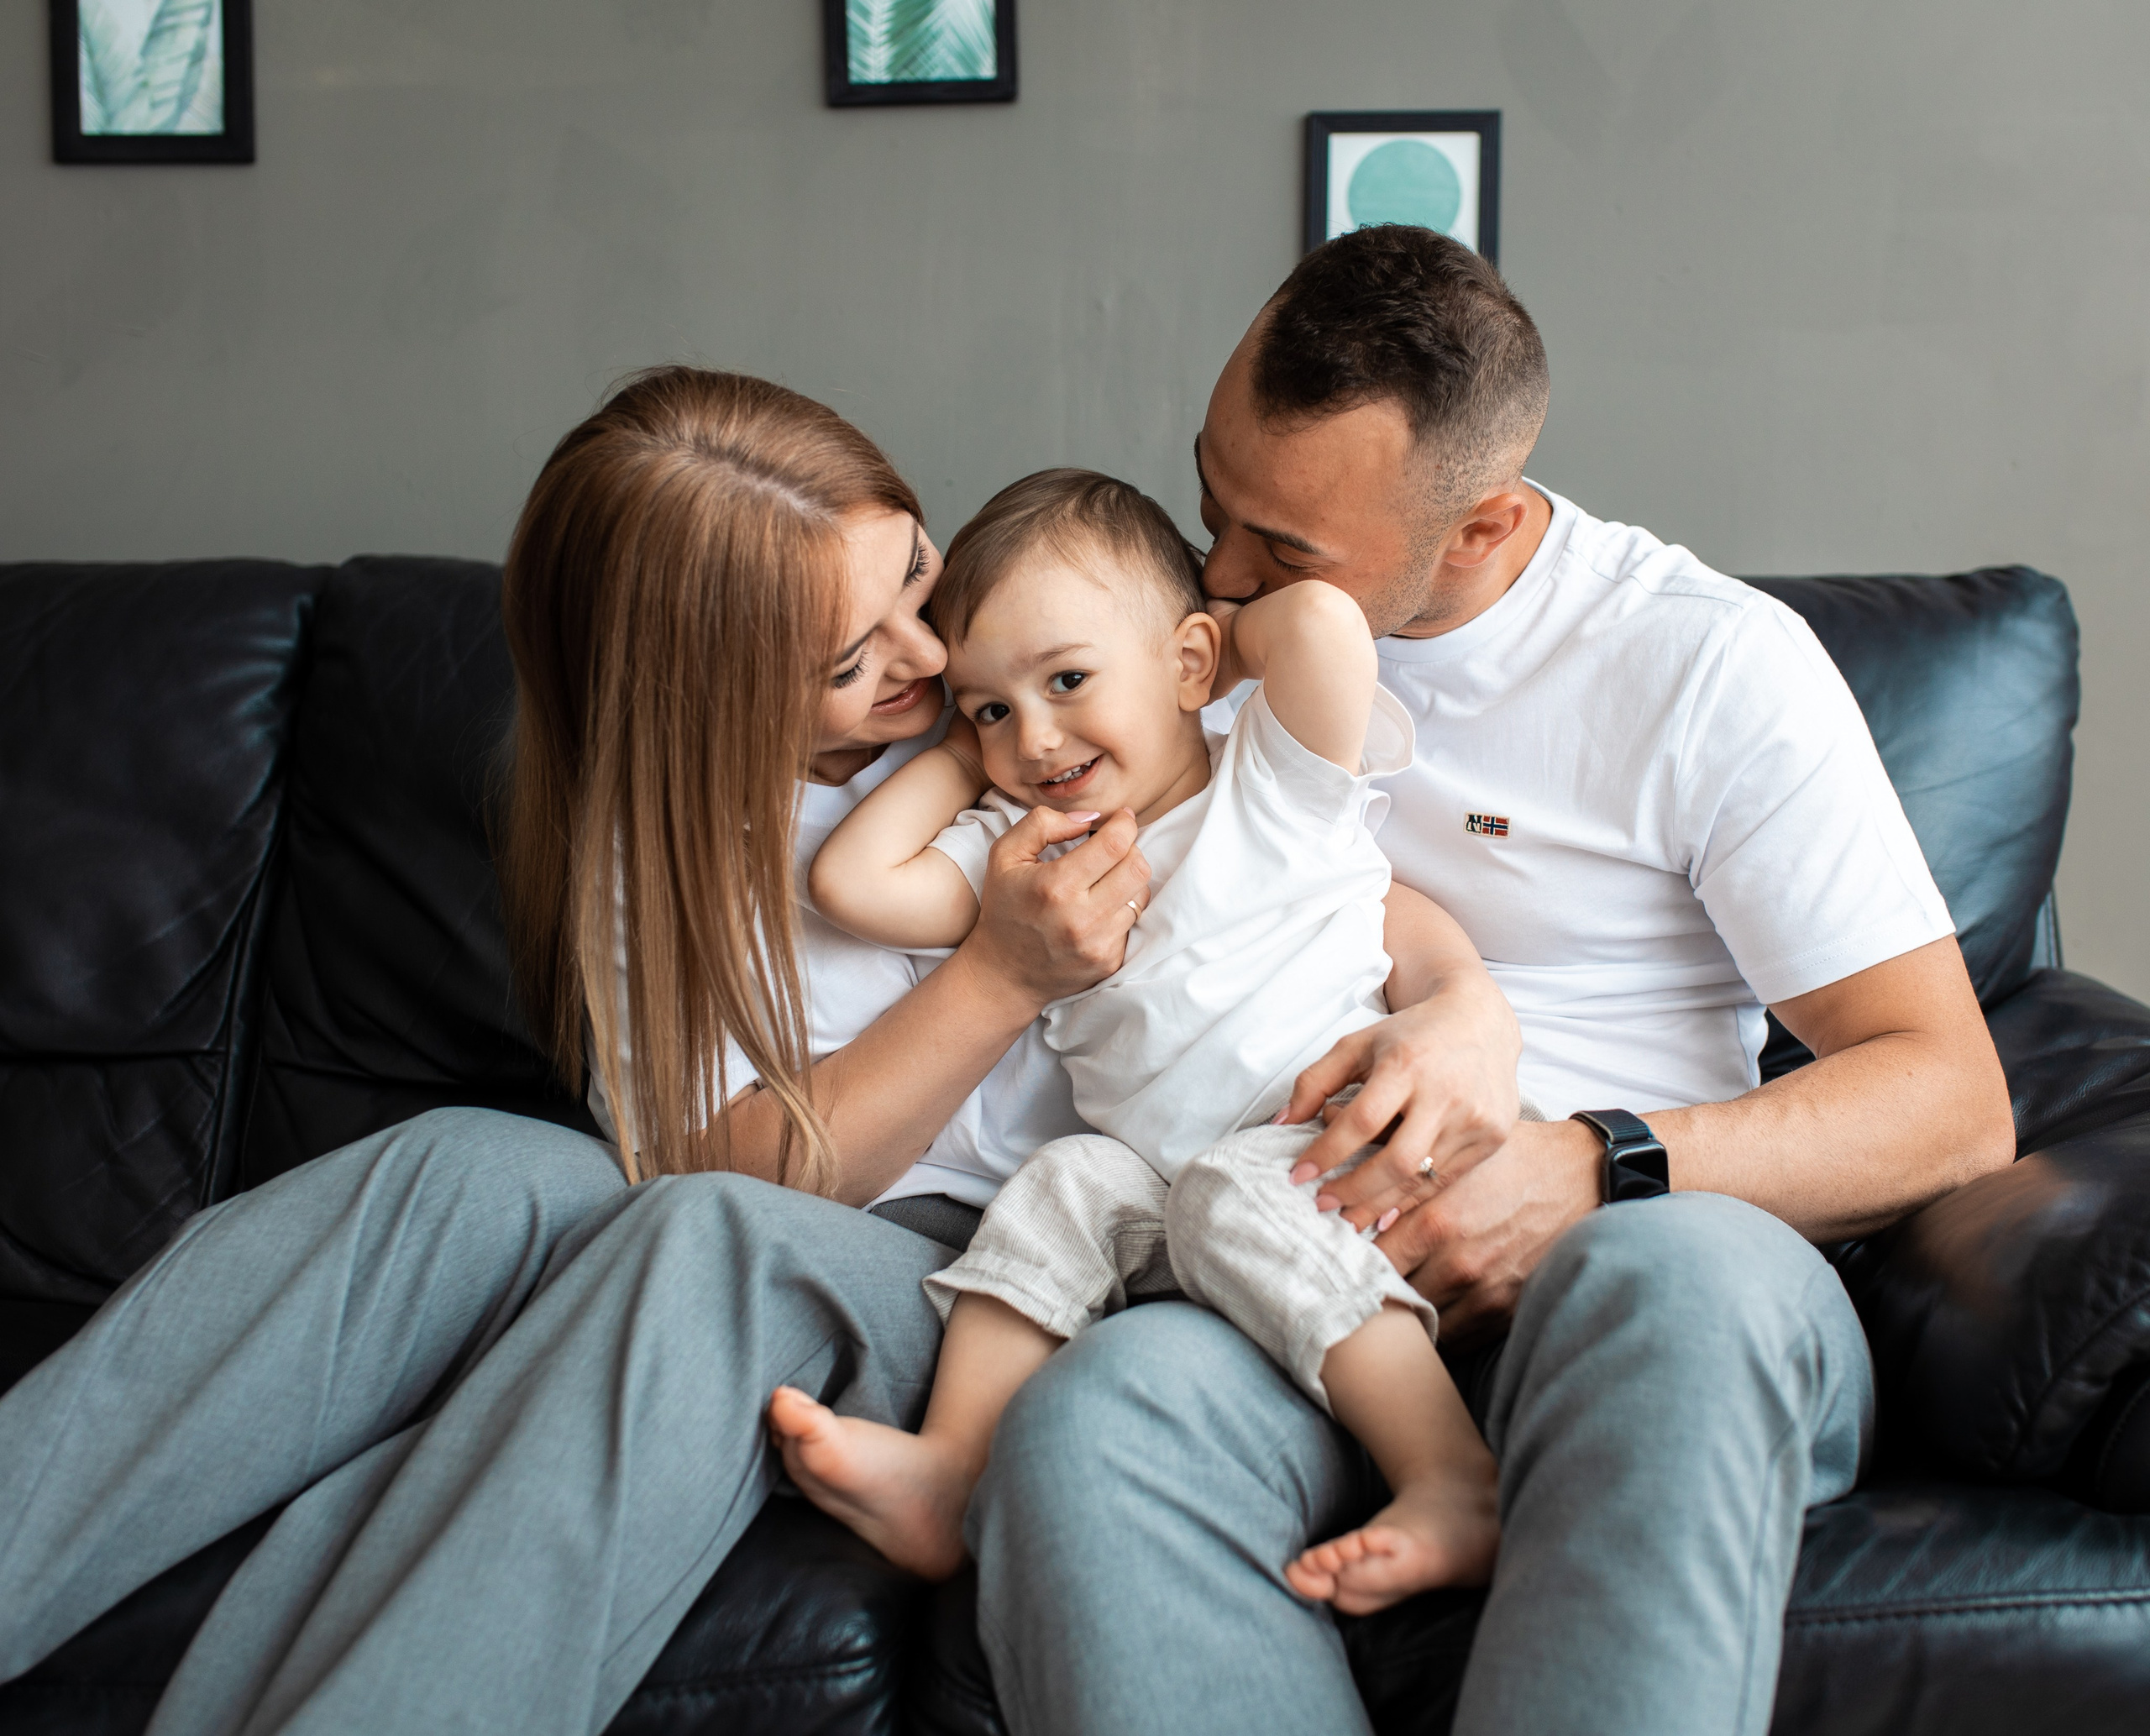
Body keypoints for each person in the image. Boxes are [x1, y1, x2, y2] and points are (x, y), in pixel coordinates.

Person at [0, 367, 1514, 1732]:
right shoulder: (678, 843)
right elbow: (715, 1155)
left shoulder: (1031, 707)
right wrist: (994, 974)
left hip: (1013, 1254)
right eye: (859, 657)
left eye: (916, 574)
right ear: (717, 697)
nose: (933, 657)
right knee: (453, 1172)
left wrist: (1464, 1006)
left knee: (704, 1240)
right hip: (812, 1201)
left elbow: (1311, 863)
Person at [960, 228, 2018, 1735]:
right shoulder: (1183, 651)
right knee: (1094, 1423)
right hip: (1295, 1251)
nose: (1223, 579)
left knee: (1669, 1285)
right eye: (1213, 506)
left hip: (1649, 1247)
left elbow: (1953, 1102)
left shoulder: (1710, 667)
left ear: (1484, 526)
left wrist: (1589, 1171)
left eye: (1291, 556)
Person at [772, 468, 1534, 1606]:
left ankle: (1450, 1477)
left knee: (1232, 1193)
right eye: (995, 709)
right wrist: (955, 741)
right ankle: (952, 1467)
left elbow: (1323, 622)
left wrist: (1213, 648)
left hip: (1324, 1146)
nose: (1034, 736)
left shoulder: (1274, 781)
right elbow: (854, 882)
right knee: (1061, 1178)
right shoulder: (1022, 852)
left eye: (1069, 680)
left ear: (1188, 666)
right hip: (1167, 1189)